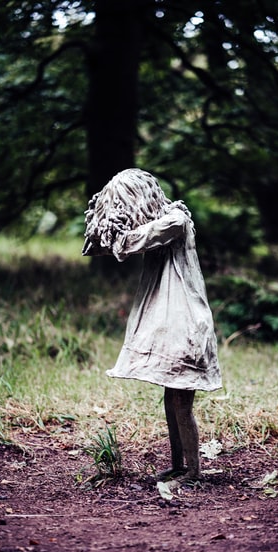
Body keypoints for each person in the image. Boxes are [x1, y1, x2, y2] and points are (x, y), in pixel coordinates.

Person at [82, 168, 222, 481]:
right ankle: (179, 465)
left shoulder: (175, 221)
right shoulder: (161, 223)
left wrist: (115, 233)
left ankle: (194, 471)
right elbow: (111, 245)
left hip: (187, 324)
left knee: (181, 402)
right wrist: (100, 228)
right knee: (170, 399)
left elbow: (136, 239)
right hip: (172, 323)